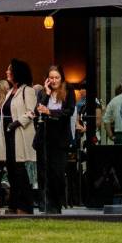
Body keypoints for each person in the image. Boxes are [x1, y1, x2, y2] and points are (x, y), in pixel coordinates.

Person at [0, 59, 38, 214]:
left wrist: (16, 123)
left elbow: (31, 112)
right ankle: (14, 205)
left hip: (18, 135)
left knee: (20, 171)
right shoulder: (10, 92)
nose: (7, 72)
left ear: (17, 73)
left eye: (10, 70)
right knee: (12, 171)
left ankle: (25, 205)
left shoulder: (27, 91)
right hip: (8, 136)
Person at [34, 65, 72, 213]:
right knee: (45, 172)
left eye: (57, 77)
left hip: (60, 138)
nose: (54, 80)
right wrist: (47, 93)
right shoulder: (44, 93)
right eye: (51, 78)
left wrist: (50, 112)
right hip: (45, 137)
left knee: (58, 172)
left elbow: (68, 111)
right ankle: (47, 204)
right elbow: (39, 110)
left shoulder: (68, 93)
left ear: (61, 78)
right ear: (47, 80)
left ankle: (57, 202)